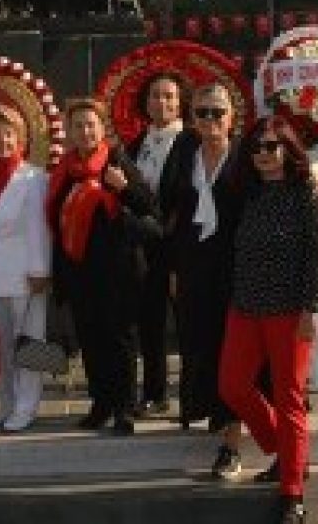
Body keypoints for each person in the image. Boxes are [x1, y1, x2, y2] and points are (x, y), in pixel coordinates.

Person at [219, 116, 318, 524]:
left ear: (288, 147)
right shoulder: (248, 193)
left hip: (290, 311)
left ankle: (292, 494)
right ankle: (289, 452)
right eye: (256, 148)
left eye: (271, 146)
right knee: (232, 386)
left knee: (289, 398)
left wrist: (309, 311)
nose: (264, 155)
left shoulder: (307, 193)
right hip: (246, 306)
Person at [47, 97, 157, 435]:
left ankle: (124, 407)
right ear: (68, 131)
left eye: (90, 124)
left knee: (119, 339)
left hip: (118, 269)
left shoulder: (117, 160)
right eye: (77, 125)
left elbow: (148, 206)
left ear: (102, 128)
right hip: (79, 269)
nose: (84, 131)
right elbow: (55, 219)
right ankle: (100, 403)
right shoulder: (64, 170)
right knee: (90, 339)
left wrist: (123, 188)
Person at [160, 82, 248, 476]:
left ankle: (231, 444)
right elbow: (168, 210)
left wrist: (316, 178)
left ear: (232, 116)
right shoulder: (183, 153)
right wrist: (175, 269)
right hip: (195, 269)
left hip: (238, 270)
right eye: (202, 113)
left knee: (237, 354)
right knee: (202, 347)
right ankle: (213, 415)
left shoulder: (248, 155)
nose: (210, 120)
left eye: (217, 112)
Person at [0, 104, 53, 431]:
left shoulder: (33, 177)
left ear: (21, 139)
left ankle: (28, 405)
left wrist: (40, 270)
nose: (1, 141)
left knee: (30, 343)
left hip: (25, 272)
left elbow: (38, 228)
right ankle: (6, 403)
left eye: (8, 134)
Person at [126, 71, 189, 418]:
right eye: (154, 96)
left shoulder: (191, 143)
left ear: (181, 101)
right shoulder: (135, 146)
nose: (161, 103)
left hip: (179, 247)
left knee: (186, 323)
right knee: (149, 324)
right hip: (144, 249)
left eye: (169, 96)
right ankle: (154, 392)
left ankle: (195, 393)